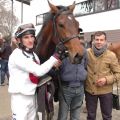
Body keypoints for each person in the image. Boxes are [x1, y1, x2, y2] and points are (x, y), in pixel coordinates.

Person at [8, 23, 62, 120]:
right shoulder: (17, 55)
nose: (30, 40)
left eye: (32, 36)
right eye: (26, 37)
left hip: (33, 95)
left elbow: (38, 70)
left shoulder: (34, 55)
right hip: (20, 98)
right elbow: (38, 71)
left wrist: (53, 66)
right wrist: (55, 56)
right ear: (19, 40)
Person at [85, 31, 120, 120]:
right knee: (90, 116)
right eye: (97, 39)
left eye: (101, 40)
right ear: (93, 41)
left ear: (105, 41)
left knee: (107, 116)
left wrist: (106, 79)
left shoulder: (111, 55)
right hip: (90, 91)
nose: (99, 42)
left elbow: (118, 73)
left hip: (106, 92)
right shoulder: (86, 53)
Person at [57, 47, 88, 120]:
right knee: (62, 116)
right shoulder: (61, 51)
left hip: (80, 88)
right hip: (66, 89)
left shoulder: (83, 51)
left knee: (75, 117)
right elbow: (55, 69)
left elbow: (85, 65)